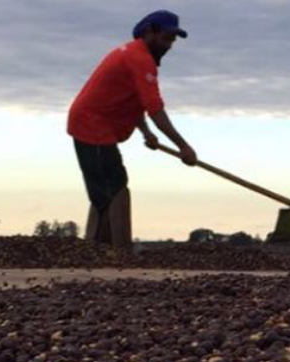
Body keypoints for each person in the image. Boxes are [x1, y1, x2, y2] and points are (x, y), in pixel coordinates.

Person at [67, 10, 197, 249]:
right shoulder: (140, 59)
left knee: (105, 188)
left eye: (172, 40)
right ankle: (118, 250)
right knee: (114, 187)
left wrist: (146, 132)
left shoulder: (133, 55)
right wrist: (184, 147)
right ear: (149, 32)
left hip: (93, 124)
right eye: (166, 38)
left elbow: (134, 102)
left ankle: (96, 249)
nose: (169, 45)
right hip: (92, 125)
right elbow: (155, 110)